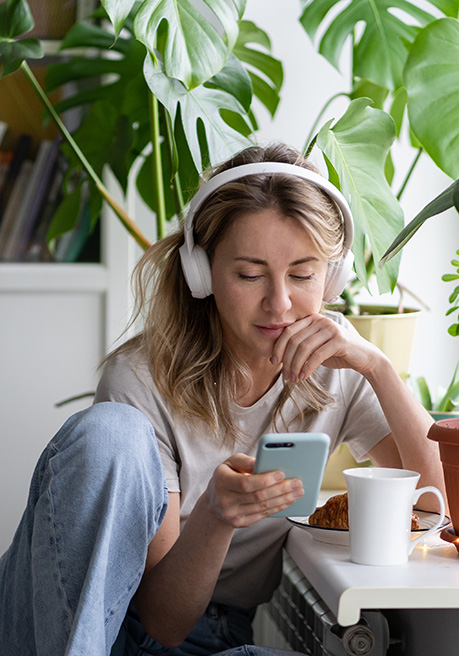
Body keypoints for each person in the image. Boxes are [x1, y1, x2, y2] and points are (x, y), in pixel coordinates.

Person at [0, 143, 445, 656]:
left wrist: (379, 367)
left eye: (303, 275)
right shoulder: (140, 379)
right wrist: (216, 514)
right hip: (83, 620)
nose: (279, 303)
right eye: (249, 275)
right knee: (109, 433)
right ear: (201, 272)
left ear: (334, 276)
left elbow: (442, 505)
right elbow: (161, 622)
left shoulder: (339, 369)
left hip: (214, 635)